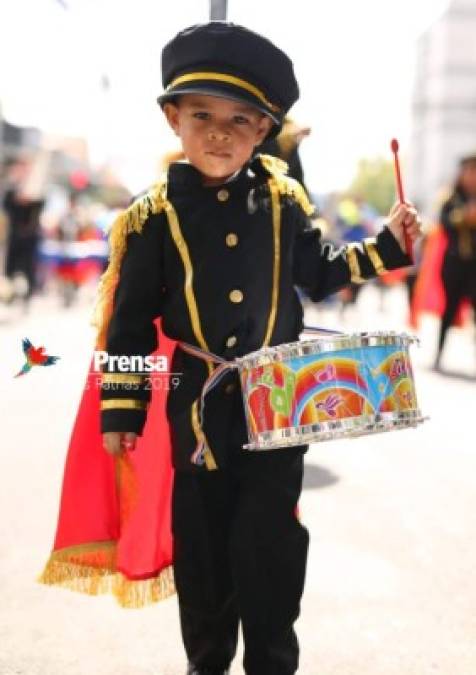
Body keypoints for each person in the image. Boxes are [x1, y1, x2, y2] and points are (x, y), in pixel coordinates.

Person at [42, 22, 420, 675]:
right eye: (201, 115)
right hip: (197, 416)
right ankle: (206, 662)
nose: (219, 132)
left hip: (278, 413)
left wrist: (388, 245)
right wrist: (121, 411)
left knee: (272, 549)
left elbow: (324, 269)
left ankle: (273, 661)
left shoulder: (283, 202)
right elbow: (129, 324)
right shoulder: (153, 213)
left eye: (240, 120)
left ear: (263, 131)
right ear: (172, 119)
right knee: (206, 554)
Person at [433, 152, 476, 369]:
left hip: (474, 266)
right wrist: (463, 217)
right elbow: (443, 222)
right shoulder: (451, 198)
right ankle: (439, 354)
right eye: (469, 171)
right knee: (449, 309)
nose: (472, 176)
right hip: (454, 264)